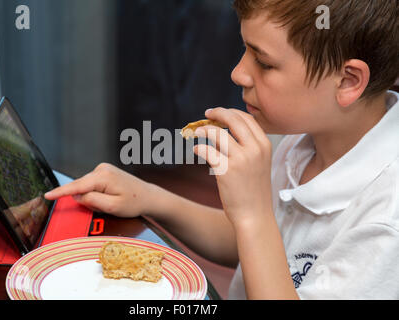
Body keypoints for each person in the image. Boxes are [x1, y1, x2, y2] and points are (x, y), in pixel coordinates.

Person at [45, 0, 399, 299]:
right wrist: (149, 198)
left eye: (264, 62)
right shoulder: (305, 139)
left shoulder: (386, 223)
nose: (238, 73)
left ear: (348, 81)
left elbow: (256, 228)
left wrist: (253, 213)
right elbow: (251, 244)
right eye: (245, 50)